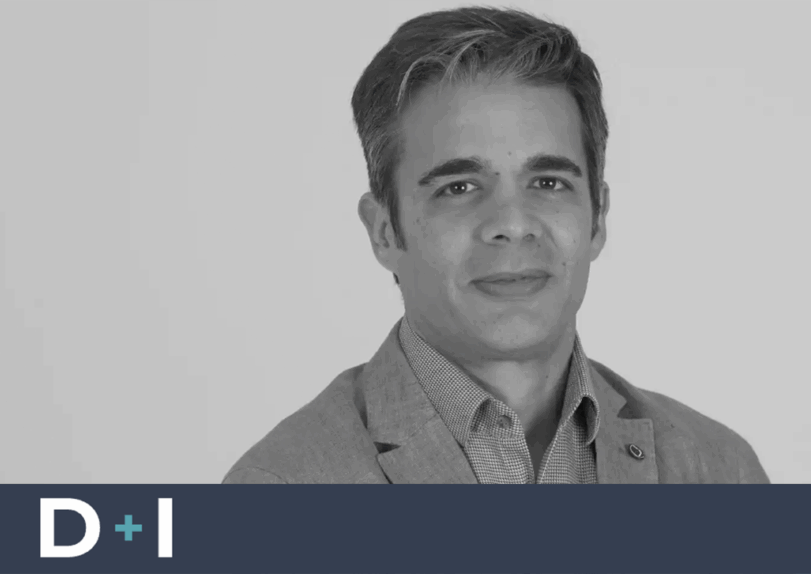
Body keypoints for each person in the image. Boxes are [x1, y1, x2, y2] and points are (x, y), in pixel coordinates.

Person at [223, 6, 769, 484]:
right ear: (383, 231)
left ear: (598, 216)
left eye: (548, 182)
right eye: (458, 188)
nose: (512, 224)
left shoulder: (720, 470)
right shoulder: (281, 486)